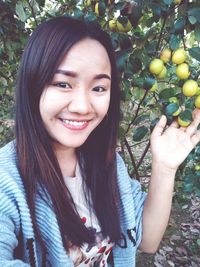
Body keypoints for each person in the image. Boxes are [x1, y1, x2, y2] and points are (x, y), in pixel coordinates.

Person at [0, 16, 200, 267]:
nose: (83, 106)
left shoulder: (107, 165)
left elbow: (147, 240)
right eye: (63, 84)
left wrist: (165, 167)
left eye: (98, 88)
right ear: (32, 86)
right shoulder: (7, 181)